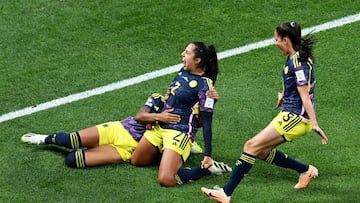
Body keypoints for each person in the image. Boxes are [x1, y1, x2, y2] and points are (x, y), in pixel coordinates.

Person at [201, 22, 329, 203]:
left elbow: (305, 95)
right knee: (261, 151)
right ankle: (306, 170)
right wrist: (285, 95)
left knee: (251, 146)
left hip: (297, 118)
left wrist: (314, 123)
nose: (275, 43)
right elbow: (302, 85)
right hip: (291, 113)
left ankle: (226, 193)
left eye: (277, 39)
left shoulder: (298, 62)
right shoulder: (296, 57)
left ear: (286, 40)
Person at [20, 91, 222, 170]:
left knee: (72, 160)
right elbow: (140, 117)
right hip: (119, 130)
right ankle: (43, 139)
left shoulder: (185, 114)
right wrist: (159, 117)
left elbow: (199, 123)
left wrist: (212, 102)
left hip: (127, 150)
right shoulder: (158, 98)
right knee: (72, 139)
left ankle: (90, 150)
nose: (173, 93)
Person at [131, 41, 226, 187]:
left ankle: (207, 170)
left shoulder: (206, 87)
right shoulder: (182, 71)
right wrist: (155, 116)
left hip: (180, 132)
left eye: (187, 53)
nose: (182, 54)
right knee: (137, 160)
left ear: (197, 60)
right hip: (160, 126)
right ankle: (170, 155)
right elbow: (170, 98)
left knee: (166, 179)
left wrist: (208, 155)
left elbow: (205, 123)